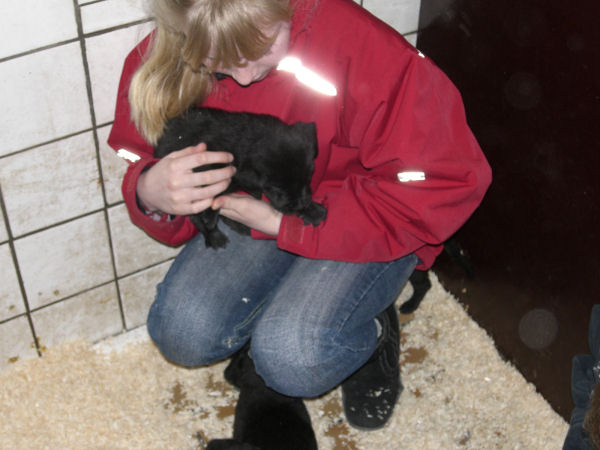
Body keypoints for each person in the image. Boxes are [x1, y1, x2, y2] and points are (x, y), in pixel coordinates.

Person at [108, 0, 492, 431]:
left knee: (294, 359)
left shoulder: (360, 46)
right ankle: (299, 301)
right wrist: (149, 190)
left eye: (261, 48)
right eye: (218, 65)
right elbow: (137, 150)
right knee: (181, 332)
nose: (245, 77)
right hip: (258, 213)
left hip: (364, 218)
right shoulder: (188, 36)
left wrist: (287, 226)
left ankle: (371, 327)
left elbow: (446, 179)